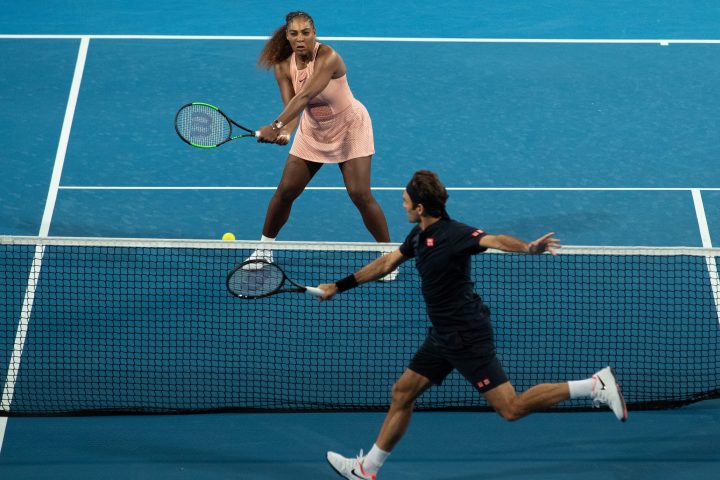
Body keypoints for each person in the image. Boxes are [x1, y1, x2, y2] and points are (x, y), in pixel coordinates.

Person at [318, 170, 628, 480]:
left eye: (405, 202)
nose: (403, 206)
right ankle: (366, 470)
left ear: (421, 208)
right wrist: (338, 285)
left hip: (466, 336)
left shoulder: (455, 235)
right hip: (442, 335)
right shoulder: (417, 237)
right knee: (403, 392)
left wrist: (528, 248)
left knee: (511, 408)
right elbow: (386, 263)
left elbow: (493, 239)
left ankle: (594, 385)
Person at [249, 11, 393, 277]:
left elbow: (304, 97)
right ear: (287, 35)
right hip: (314, 130)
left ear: (314, 33)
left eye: (306, 33)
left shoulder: (328, 57)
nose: (300, 39)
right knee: (286, 191)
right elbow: (291, 107)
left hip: (351, 127)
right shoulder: (283, 66)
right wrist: (286, 131)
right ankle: (263, 250)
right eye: (294, 34)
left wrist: (276, 125)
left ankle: (388, 257)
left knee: (360, 194)